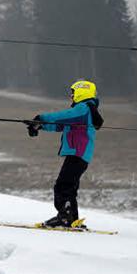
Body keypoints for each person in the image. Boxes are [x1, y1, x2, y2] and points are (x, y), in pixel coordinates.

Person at [26, 79, 103, 227]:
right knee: (69, 187)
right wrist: (40, 126)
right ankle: (72, 219)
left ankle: (65, 217)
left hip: (77, 153)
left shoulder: (83, 108)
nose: (71, 96)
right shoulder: (86, 110)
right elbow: (60, 125)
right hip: (81, 155)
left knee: (62, 185)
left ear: (81, 92)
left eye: (73, 93)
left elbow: (64, 116)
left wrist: (41, 118)